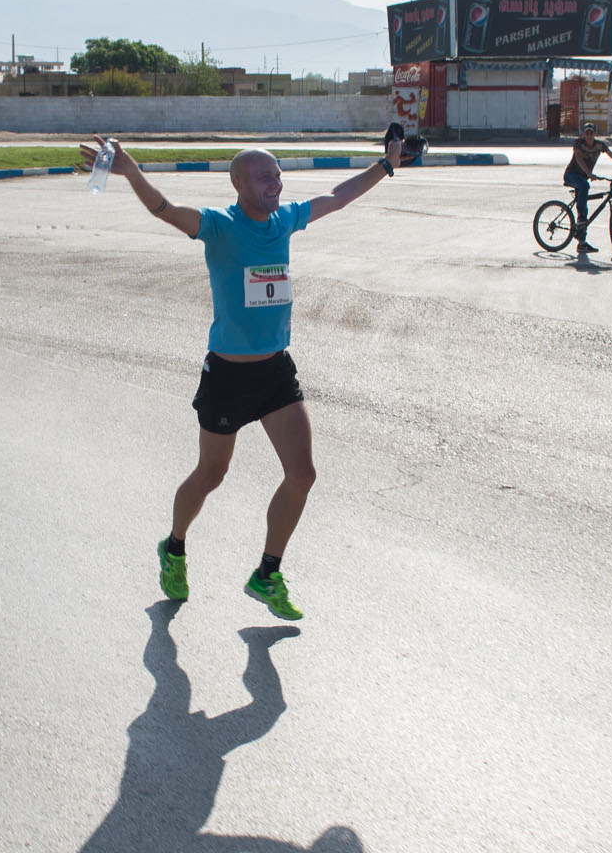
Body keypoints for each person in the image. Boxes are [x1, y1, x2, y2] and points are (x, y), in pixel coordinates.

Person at [78, 133, 406, 621]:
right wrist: (132, 173)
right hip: (228, 375)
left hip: (276, 370)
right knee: (212, 474)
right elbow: (166, 209)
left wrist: (387, 165)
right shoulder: (219, 226)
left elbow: (337, 198)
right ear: (238, 184)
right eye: (264, 176)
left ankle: (267, 573)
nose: (275, 183)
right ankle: (174, 547)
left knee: (303, 473)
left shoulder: (285, 220)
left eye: (277, 174)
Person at [563, 122, 612, 254]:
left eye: (591, 133)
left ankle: (582, 243)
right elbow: (579, 159)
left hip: (583, 178)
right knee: (585, 186)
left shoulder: (599, 145)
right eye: (586, 133)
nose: (589, 136)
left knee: (584, 200)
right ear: (583, 134)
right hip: (571, 175)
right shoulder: (578, 144)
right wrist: (589, 174)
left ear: (595, 134)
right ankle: (581, 219)